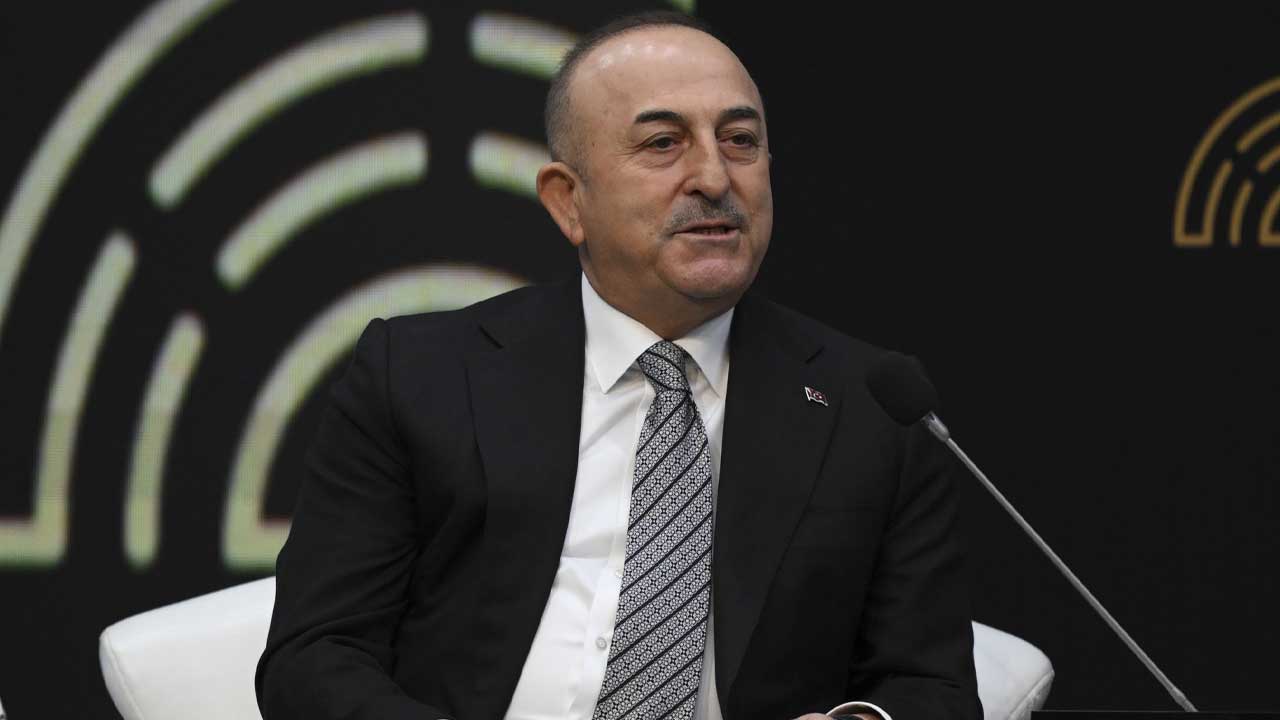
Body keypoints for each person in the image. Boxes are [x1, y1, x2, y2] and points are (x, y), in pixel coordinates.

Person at [256, 11, 979, 720]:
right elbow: (314, 654)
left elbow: (933, 687)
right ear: (568, 201)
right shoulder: (420, 375)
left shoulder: (874, 407)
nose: (714, 177)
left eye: (740, 140)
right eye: (664, 143)